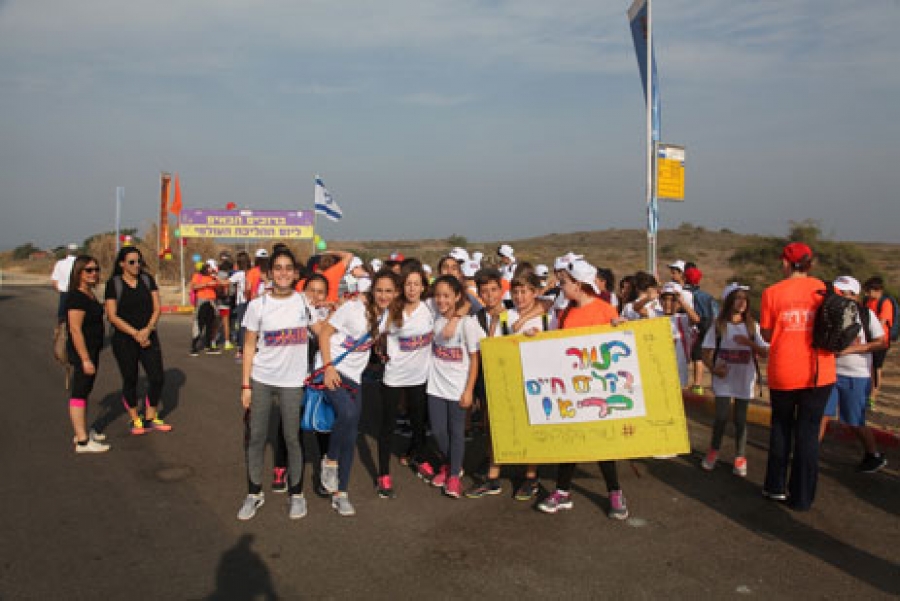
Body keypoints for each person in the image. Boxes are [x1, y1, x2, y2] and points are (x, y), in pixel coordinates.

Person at [237, 248, 326, 521]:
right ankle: (254, 493)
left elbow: (322, 331)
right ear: (269, 273)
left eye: (288, 268)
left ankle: (296, 495)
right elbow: (249, 346)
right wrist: (245, 386)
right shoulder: (257, 305)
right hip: (262, 379)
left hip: (293, 382)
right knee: (256, 437)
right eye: (278, 268)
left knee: (292, 438)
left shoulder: (303, 302)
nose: (283, 273)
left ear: (296, 274)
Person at [538, 259, 629, 519]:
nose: (561, 287)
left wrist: (622, 328)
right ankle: (562, 491)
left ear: (578, 285)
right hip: (573, 389)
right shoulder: (566, 313)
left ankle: (615, 492)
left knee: (603, 443)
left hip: (600, 388)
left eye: (564, 283)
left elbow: (622, 345)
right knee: (572, 440)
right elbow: (556, 345)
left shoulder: (605, 310)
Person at [760, 242, 835, 511]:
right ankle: (802, 497)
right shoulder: (826, 290)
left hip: (784, 371)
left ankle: (775, 486)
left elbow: (766, 334)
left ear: (786, 263)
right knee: (808, 433)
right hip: (820, 372)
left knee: (781, 428)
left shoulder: (772, 293)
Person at [318, 269, 400, 516]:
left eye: (388, 291)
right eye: (379, 290)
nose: (383, 295)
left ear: (395, 293)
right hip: (332, 368)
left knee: (351, 434)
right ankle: (330, 461)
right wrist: (328, 367)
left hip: (355, 377)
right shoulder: (352, 309)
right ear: (371, 290)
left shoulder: (388, 314)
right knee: (349, 414)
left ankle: (341, 493)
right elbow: (324, 333)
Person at [467, 272, 552, 501]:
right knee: (499, 428)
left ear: (534, 292)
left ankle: (531, 476)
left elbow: (550, 307)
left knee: (531, 428)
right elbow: (492, 347)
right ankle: (493, 476)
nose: (520, 297)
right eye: (516, 292)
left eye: (525, 292)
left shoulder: (546, 317)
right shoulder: (504, 316)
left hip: (536, 382)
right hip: (507, 381)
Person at [820, 276, 888, 473]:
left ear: (854, 295)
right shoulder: (828, 312)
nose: (838, 296)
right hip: (830, 372)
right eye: (837, 292)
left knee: (854, 420)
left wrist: (851, 350)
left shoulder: (866, 315)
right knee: (822, 415)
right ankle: (807, 454)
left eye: (843, 292)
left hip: (856, 375)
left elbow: (881, 342)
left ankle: (873, 455)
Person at [377, 264, 434, 497]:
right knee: (387, 426)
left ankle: (419, 457)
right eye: (408, 284)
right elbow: (377, 332)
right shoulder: (392, 310)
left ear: (423, 287)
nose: (412, 288)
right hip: (394, 376)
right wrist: (380, 350)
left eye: (416, 284)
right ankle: (383, 473)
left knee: (418, 422)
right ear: (402, 287)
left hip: (419, 376)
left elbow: (464, 302)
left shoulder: (430, 307)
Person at [700, 283, 768, 476]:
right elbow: (705, 352)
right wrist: (714, 369)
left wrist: (748, 343)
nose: (742, 302)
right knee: (721, 417)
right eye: (738, 298)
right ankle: (714, 451)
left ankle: (740, 456)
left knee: (740, 419)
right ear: (729, 301)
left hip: (744, 379)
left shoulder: (752, 326)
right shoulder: (718, 325)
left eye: (744, 299)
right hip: (723, 379)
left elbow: (765, 352)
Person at [426, 275, 484, 498]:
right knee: (438, 431)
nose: (441, 300)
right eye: (438, 295)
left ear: (457, 296)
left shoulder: (467, 324)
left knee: (456, 432)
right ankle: (452, 465)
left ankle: (453, 477)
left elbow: (475, 359)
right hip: (435, 386)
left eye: (447, 296)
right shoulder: (434, 317)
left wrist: (469, 390)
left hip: (458, 388)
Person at [105, 246, 171, 435]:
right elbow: (112, 316)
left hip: (148, 335)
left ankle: (150, 417)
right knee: (130, 378)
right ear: (122, 264)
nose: (136, 265)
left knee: (157, 377)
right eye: (132, 262)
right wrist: (135, 333)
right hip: (124, 338)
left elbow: (157, 308)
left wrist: (147, 330)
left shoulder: (147, 280)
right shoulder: (114, 284)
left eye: (139, 261)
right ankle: (135, 418)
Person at [66, 255, 109, 453]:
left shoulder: (89, 293)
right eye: (89, 270)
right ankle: (82, 441)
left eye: (96, 269)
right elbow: (75, 329)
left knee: (85, 390)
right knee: (80, 391)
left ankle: (82, 431)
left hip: (92, 349)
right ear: (79, 273)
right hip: (83, 352)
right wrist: (84, 359)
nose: (94, 273)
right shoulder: (76, 297)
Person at [658, 282, 700, 389]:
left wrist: (682, 301)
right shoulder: (655, 316)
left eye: (673, 300)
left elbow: (696, 319)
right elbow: (639, 310)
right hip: (659, 367)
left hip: (678, 367)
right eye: (665, 299)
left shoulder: (682, 319)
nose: (668, 303)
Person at [684, 265, 718, 395]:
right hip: (709, 324)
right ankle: (700, 384)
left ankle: (696, 384)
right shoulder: (707, 296)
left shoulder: (687, 294)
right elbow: (716, 312)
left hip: (696, 325)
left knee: (696, 355)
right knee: (704, 354)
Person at [862, 276, 895, 405]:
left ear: (878, 290)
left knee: (876, 367)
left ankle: (873, 395)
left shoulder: (885, 303)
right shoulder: (867, 301)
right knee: (868, 366)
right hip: (868, 340)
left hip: (881, 341)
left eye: (869, 291)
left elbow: (882, 322)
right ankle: (868, 393)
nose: (867, 294)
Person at [190, 262, 219, 356]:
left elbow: (218, 286)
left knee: (210, 324)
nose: (211, 270)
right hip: (202, 301)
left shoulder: (213, 277)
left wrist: (216, 279)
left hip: (212, 301)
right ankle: (194, 346)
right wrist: (206, 284)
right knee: (199, 323)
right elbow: (194, 286)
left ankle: (208, 345)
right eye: (209, 268)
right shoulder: (197, 276)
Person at [230, 251, 251, 362]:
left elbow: (227, 282)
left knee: (242, 327)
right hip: (252, 302)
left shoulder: (239, 274)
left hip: (242, 303)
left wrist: (214, 280)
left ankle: (241, 350)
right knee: (251, 327)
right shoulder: (252, 272)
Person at [51, 243, 79, 323]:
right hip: (78, 292)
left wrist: (59, 289)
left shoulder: (60, 263)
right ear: (77, 252)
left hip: (64, 292)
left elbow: (54, 279)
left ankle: (60, 327)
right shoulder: (81, 263)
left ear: (67, 251)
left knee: (62, 316)